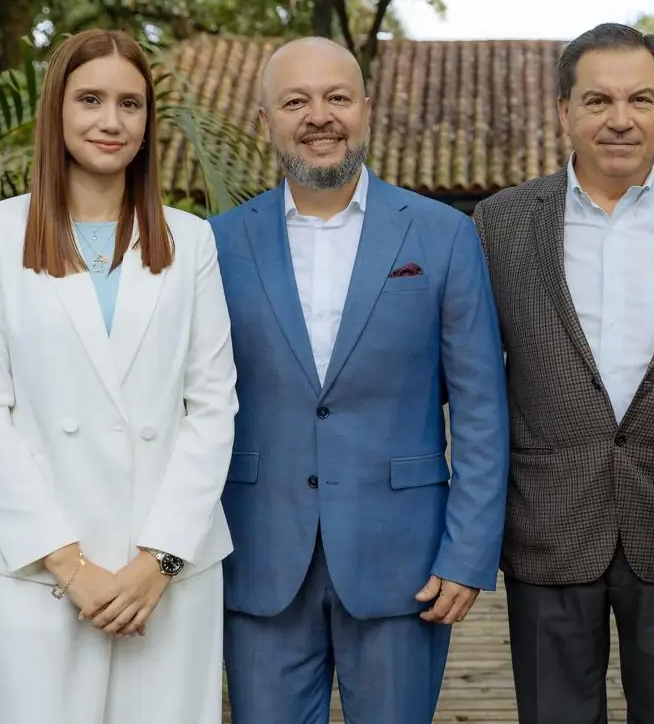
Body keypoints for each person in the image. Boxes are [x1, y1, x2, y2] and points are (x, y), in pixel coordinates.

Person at [470, 22, 654, 724]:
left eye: (639, 98)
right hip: (550, 520)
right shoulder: (499, 224)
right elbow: (474, 368)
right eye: (597, 100)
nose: (619, 118)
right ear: (564, 110)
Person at [210, 36, 510, 723]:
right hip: (258, 553)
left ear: (366, 110)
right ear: (266, 122)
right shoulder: (216, 243)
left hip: (404, 559)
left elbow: (480, 411)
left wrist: (468, 554)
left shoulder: (443, 236)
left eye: (337, 97)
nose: (319, 116)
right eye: (296, 101)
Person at [0, 29, 239, 722]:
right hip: (34, 570)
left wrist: (156, 561)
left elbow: (212, 407)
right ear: (57, 110)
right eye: (90, 99)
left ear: (147, 122)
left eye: (130, 105)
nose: (111, 121)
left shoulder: (190, 238)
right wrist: (71, 567)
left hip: (165, 576)